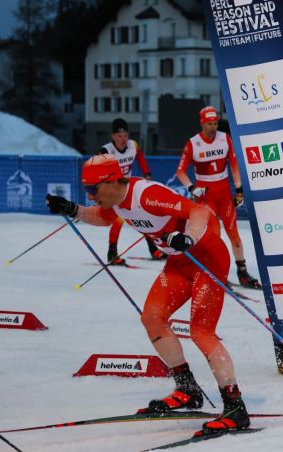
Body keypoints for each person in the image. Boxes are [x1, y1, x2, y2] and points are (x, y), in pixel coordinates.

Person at [45, 154, 249, 434]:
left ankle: (235, 407)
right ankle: (187, 389)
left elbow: (199, 212)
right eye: (86, 190)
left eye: (93, 190)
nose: (90, 196)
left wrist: (188, 236)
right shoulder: (116, 200)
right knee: (152, 317)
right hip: (180, 262)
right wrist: (72, 209)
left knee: (202, 331)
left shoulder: (147, 195)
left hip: (207, 259)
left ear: (113, 181)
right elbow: (104, 218)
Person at [176, 106, 260, 289]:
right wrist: (191, 187)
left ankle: (242, 272)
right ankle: (215, 272)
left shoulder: (225, 138)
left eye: (215, 123)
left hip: (223, 195)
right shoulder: (193, 143)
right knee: (214, 237)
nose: (213, 127)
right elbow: (180, 171)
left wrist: (239, 189)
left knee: (234, 235)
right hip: (206, 197)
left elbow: (234, 164)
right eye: (209, 124)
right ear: (202, 123)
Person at [99, 118, 164, 263]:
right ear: (113, 136)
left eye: (125, 135)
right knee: (119, 220)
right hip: (114, 192)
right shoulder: (106, 150)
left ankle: (153, 249)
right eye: (119, 136)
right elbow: (99, 171)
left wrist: (147, 173)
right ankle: (112, 253)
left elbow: (140, 157)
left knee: (142, 218)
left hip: (128, 189)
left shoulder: (132, 145)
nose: (123, 139)